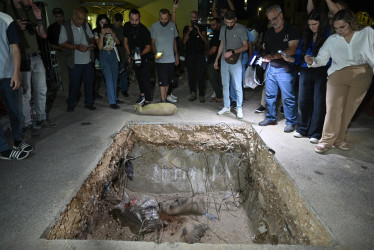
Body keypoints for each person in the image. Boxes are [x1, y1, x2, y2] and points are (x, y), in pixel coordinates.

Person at [305, 9, 374, 153]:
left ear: (351, 23)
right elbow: (322, 59)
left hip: (362, 75)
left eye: (342, 27)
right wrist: (312, 61)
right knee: (333, 109)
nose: (339, 31)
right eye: (336, 28)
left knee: (349, 111)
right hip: (338, 74)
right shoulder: (332, 40)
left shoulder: (367, 33)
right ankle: (326, 140)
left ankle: (339, 139)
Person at [3, 0, 56, 136]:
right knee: (25, 93)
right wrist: (15, 27)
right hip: (21, 56)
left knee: (42, 89)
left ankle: (41, 118)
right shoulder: (5, 9)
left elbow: (43, 34)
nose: (30, 0)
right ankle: (26, 124)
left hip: (36, 55)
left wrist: (39, 18)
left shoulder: (29, 10)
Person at [289, 9, 330, 144]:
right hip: (306, 70)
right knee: (303, 101)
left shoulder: (328, 35)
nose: (311, 27)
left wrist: (314, 60)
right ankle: (302, 129)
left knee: (318, 103)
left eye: (314, 24)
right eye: (310, 24)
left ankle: (316, 132)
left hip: (321, 71)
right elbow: (300, 53)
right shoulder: (306, 34)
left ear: (321, 23)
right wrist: (292, 59)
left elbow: (331, 56)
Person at [258, 5, 300, 133]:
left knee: (287, 97)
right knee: (270, 95)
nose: (272, 22)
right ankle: (271, 117)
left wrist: (273, 56)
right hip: (271, 68)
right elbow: (265, 47)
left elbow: (293, 48)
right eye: (270, 20)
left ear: (281, 15)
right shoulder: (269, 32)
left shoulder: (292, 29)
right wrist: (263, 55)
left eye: (274, 19)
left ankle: (291, 121)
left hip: (285, 69)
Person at [0, 11, 32, 160]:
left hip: (7, 74)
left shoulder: (6, 19)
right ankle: (3, 149)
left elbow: (15, 48)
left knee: (14, 110)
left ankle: (17, 141)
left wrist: (16, 73)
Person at [59, 7, 96, 112]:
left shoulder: (85, 25)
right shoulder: (65, 26)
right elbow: (61, 43)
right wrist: (77, 47)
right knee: (74, 85)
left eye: (83, 19)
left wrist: (92, 43)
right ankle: (71, 104)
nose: (82, 21)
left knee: (89, 83)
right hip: (75, 62)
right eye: (79, 19)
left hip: (88, 60)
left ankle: (89, 103)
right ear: (73, 17)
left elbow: (91, 36)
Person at [214, 11, 248, 119]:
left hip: (236, 61)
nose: (229, 24)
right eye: (227, 22)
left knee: (237, 85)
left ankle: (239, 108)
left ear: (235, 19)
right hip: (224, 61)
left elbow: (245, 46)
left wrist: (233, 52)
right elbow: (221, 45)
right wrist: (216, 60)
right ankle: (226, 106)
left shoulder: (241, 29)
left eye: (231, 22)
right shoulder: (223, 28)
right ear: (224, 21)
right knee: (225, 84)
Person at [123, 9, 152, 106]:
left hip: (144, 56)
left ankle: (147, 100)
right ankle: (142, 95)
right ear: (129, 18)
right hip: (134, 56)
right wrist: (130, 55)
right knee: (139, 77)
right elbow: (125, 42)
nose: (134, 22)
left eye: (136, 20)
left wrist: (138, 55)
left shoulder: (144, 30)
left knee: (146, 78)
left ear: (140, 19)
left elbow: (148, 48)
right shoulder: (127, 26)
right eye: (132, 19)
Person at [150, 9, 179, 103]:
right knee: (162, 81)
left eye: (165, 19)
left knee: (168, 81)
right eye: (161, 19)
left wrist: (176, 55)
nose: (163, 21)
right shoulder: (154, 26)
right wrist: (155, 53)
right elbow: (152, 43)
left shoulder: (172, 26)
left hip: (171, 58)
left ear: (169, 17)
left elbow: (174, 41)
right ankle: (163, 100)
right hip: (160, 60)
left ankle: (165, 97)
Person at [93, 14, 121, 109]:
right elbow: (100, 47)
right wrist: (102, 34)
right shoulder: (97, 33)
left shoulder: (111, 31)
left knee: (114, 77)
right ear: (98, 23)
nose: (104, 24)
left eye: (105, 22)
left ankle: (115, 98)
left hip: (113, 53)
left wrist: (112, 33)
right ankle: (112, 102)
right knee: (108, 78)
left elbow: (118, 42)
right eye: (102, 22)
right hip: (104, 55)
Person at [183, 11, 208, 102]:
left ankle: (201, 94)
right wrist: (189, 32)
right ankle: (192, 93)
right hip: (189, 55)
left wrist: (198, 31)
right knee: (191, 76)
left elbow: (205, 41)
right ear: (190, 18)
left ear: (197, 18)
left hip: (200, 55)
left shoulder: (202, 27)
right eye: (192, 17)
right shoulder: (186, 28)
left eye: (195, 17)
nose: (194, 19)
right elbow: (184, 41)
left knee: (201, 76)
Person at [47, 7, 69, 92]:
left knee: (75, 74)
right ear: (54, 17)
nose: (59, 18)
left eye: (60, 16)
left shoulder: (69, 25)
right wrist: (60, 48)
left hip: (72, 52)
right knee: (64, 75)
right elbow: (49, 43)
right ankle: (68, 94)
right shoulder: (52, 28)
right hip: (61, 53)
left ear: (63, 16)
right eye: (57, 16)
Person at [113, 13, 129, 99]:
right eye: (117, 21)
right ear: (114, 20)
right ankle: (113, 90)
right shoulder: (111, 29)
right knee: (113, 74)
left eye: (120, 21)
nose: (119, 23)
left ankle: (124, 90)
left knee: (123, 74)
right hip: (113, 56)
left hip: (122, 55)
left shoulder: (124, 29)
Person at [206, 17, 223, 103]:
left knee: (214, 80)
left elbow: (213, 50)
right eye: (211, 25)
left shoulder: (217, 34)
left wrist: (206, 54)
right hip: (220, 61)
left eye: (214, 25)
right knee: (219, 80)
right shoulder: (221, 33)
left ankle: (219, 97)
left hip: (214, 61)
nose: (212, 27)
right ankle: (219, 96)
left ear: (218, 24)